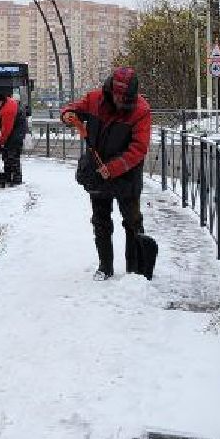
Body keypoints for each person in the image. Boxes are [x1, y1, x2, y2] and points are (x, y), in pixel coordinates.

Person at [61, 66, 152, 280]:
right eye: (117, 96)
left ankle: (136, 268)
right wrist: (68, 115)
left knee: (132, 221)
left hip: (126, 174)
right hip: (97, 172)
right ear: (111, 89)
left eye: (124, 98)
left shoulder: (141, 110)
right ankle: (105, 266)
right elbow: (72, 109)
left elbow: (138, 149)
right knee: (100, 220)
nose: (120, 101)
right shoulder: (95, 100)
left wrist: (112, 168)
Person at [0, 91, 26, 186]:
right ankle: (8, 177)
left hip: (14, 137)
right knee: (8, 157)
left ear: (1, 101)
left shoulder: (8, 110)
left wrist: (1, 141)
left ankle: (15, 180)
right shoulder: (7, 104)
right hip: (14, 135)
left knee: (12, 157)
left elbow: (6, 128)